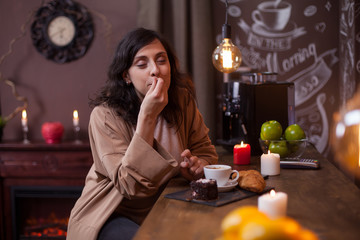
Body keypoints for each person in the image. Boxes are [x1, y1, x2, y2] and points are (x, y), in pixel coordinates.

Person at [67, 28, 218, 240]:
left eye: (161, 60)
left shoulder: (183, 101)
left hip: (167, 204)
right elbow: (131, 186)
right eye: (142, 64)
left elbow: (205, 150)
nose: (155, 70)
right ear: (126, 76)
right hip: (114, 211)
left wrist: (198, 166)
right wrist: (147, 116)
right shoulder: (104, 116)